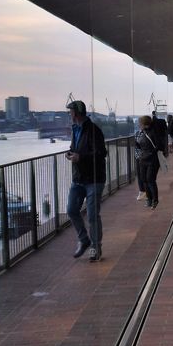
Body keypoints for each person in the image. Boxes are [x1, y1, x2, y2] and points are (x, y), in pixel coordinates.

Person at [65, 100, 107, 261]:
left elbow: (101, 153)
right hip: (79, 178)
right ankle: (84, 240)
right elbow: (76, 148)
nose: (69, 114)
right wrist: (71, 153)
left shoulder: (93, 130)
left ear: (76, 113)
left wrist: (80, 157)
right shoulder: (74, 129)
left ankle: (96, 248)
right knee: (71, 210)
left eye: (70, 112)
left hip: (94, 179)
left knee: (92, 215)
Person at [135, 115, 161, 209]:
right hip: (143, 160)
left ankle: (155, 200)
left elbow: (159, 145)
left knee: (150, 179)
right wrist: (136, 144)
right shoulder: (141, 133)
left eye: (140, 123)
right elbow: (141, 146)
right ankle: (149, 199)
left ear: (144, 124)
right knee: (144, 180)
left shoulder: (153, 132)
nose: (139, 125)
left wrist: (151, 153)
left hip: (152, 160)